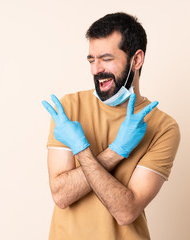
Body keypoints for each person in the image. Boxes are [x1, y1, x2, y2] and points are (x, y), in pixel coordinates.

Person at [42, 12, 180, 240]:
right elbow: (61, 195)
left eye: (106, 59)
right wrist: (116, 152)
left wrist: (82, 152)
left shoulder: (163, 127)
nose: (95, 70)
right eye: (91, 60)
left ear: (136, 60)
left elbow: (126, 211)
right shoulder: (68, 108)